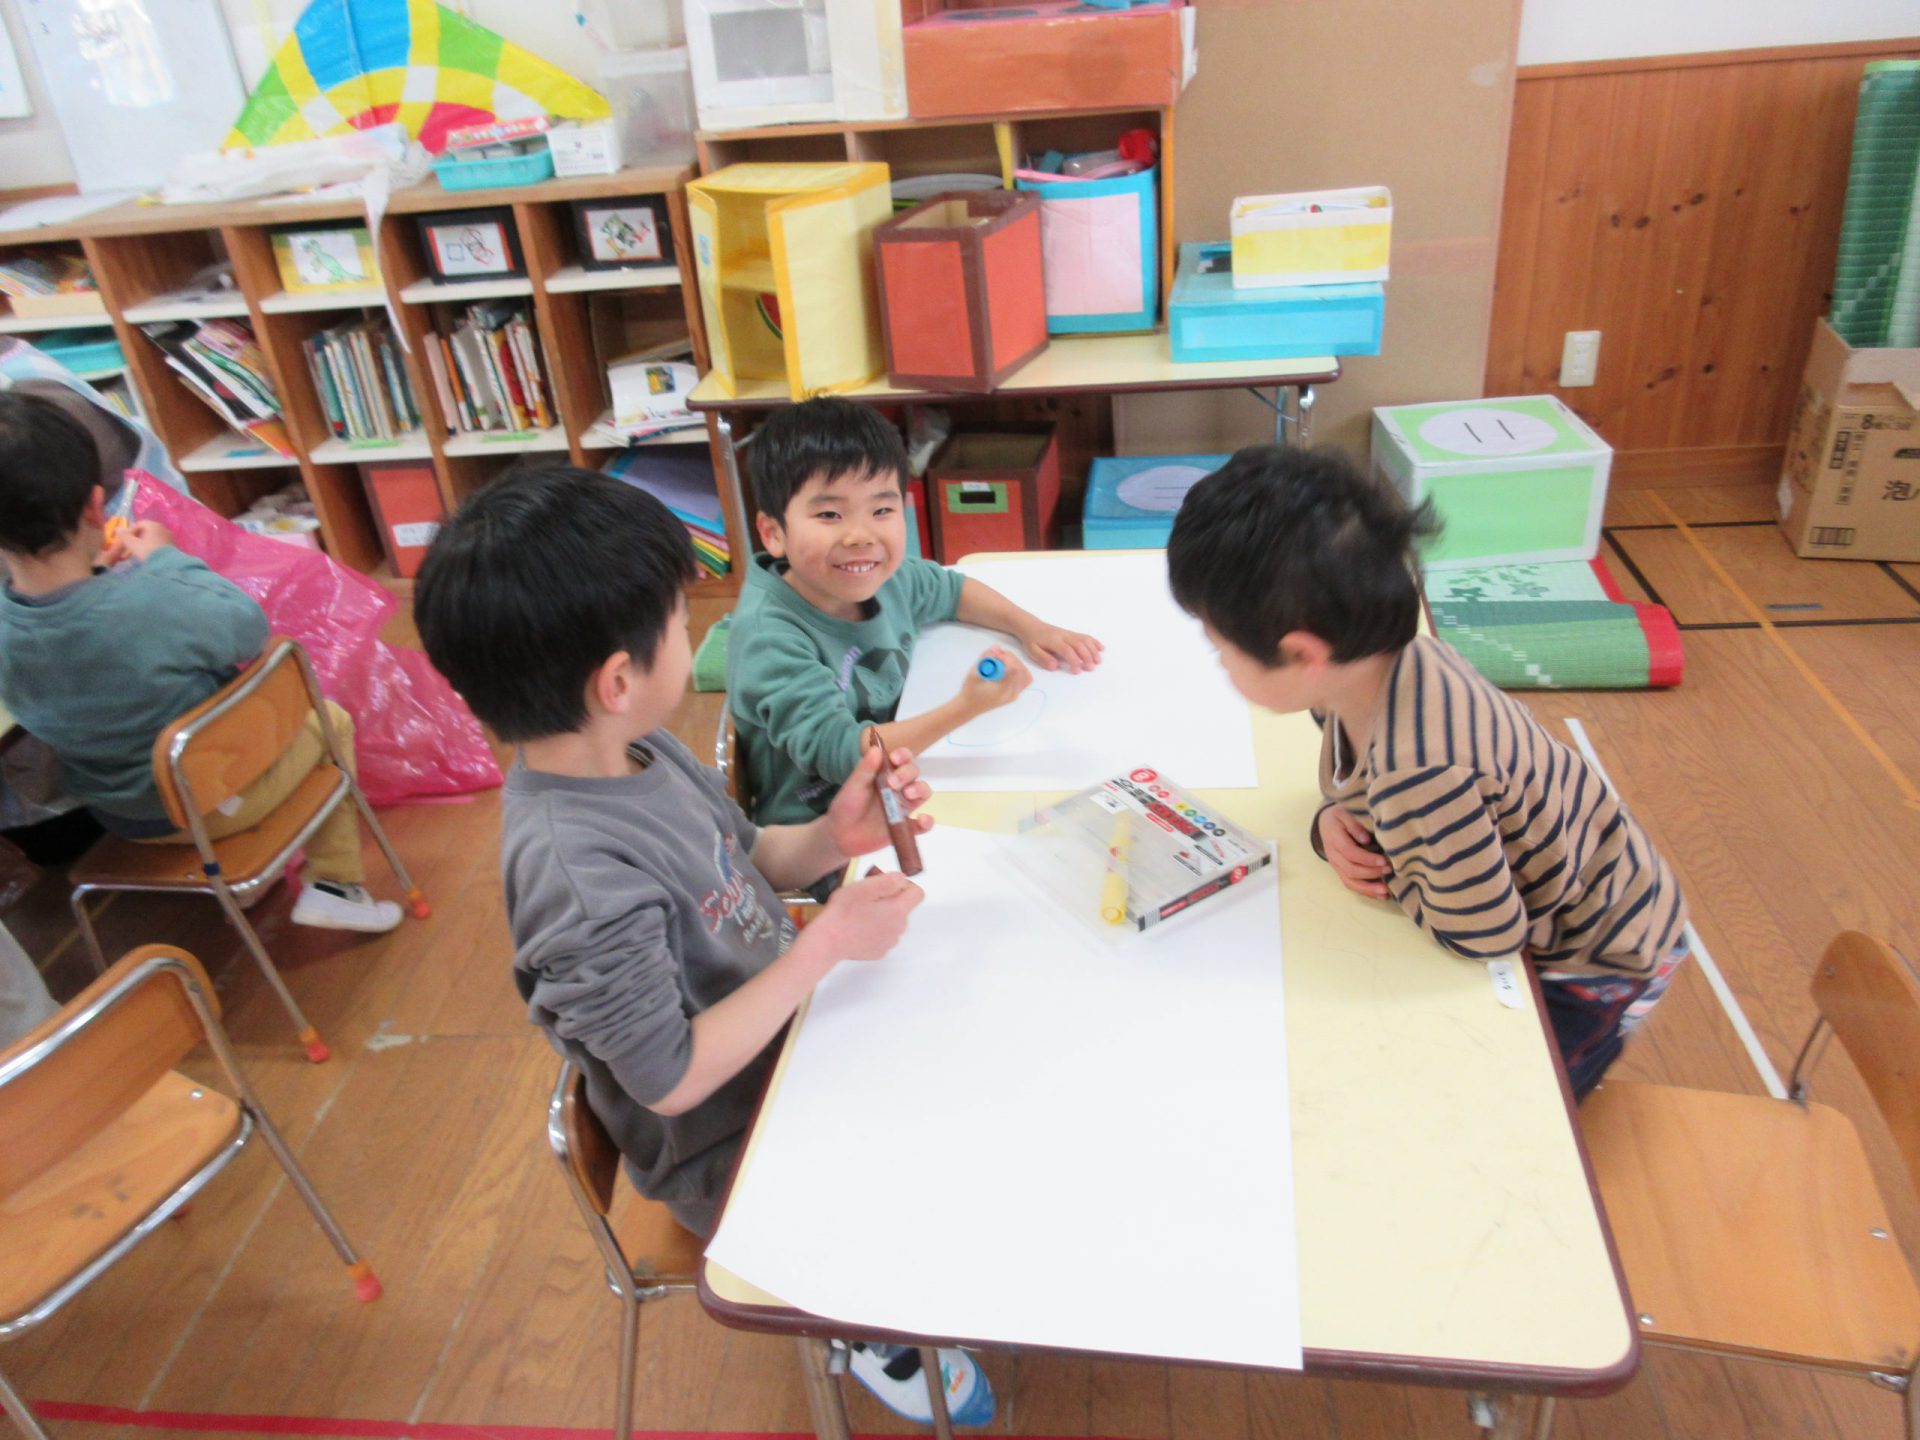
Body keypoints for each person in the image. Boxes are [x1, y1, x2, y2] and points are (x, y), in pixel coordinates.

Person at [413, 464, 995, 1426]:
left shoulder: (637, 750)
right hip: (728, 1139)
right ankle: (864, 1325)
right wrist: (824, 947)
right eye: (683, 626)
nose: (695, 639)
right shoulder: (575, 876)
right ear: (617, 680)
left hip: (789, 1037)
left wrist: (833, 839)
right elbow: (670, 1078)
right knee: (938, 1170)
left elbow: (748, 858)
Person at [1167, 445, 1689, 1098]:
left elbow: (1483, 933)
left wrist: (1394, 864)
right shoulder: (1385, 668)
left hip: (1597, 956)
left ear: (1302, 655)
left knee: (1525, 1101)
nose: (1220, 664)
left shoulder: (1420, 773)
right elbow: (1364, 789)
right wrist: (1334, 820)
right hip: (1598, 876)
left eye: (1219, 650)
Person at [0, 392, 399, 932]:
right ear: (96, 507)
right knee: (331, 720)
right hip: (213, 800)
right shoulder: (155, 599)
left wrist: (94, 576)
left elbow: (75, 635)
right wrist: (167, 560)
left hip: (118, 815)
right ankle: (335, 884)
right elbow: (246, 629)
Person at [727, 397, 1103, 835]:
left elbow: (952, 590)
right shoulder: (770, 639)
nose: (861, 536)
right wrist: (968, 706)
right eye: (829, 514)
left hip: (903, 786)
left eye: (882, 510)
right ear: (773, 532)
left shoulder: (885, 578)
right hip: (826, 834)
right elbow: (847, 755)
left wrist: (1032, 628)